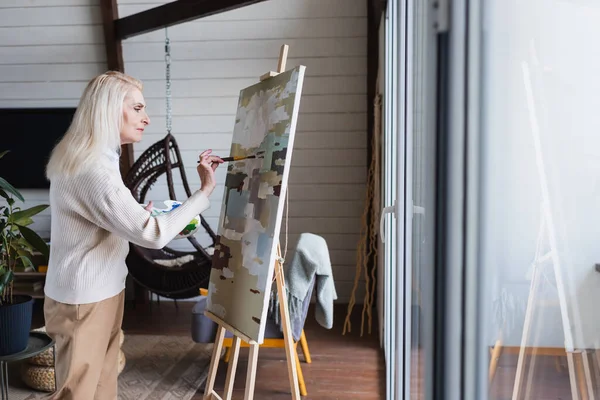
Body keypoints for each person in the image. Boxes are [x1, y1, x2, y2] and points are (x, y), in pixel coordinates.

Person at [43, 71, 223, 399]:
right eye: (138, 108)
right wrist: (203, 192)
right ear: (111, 109)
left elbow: (109, 214)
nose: (147, 118)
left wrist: (138, 210)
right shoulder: (92, 167)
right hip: (85, 297)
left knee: (102, 385)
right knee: (78, 392)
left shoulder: (99, 158)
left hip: (101, 289)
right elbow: (151, 234)